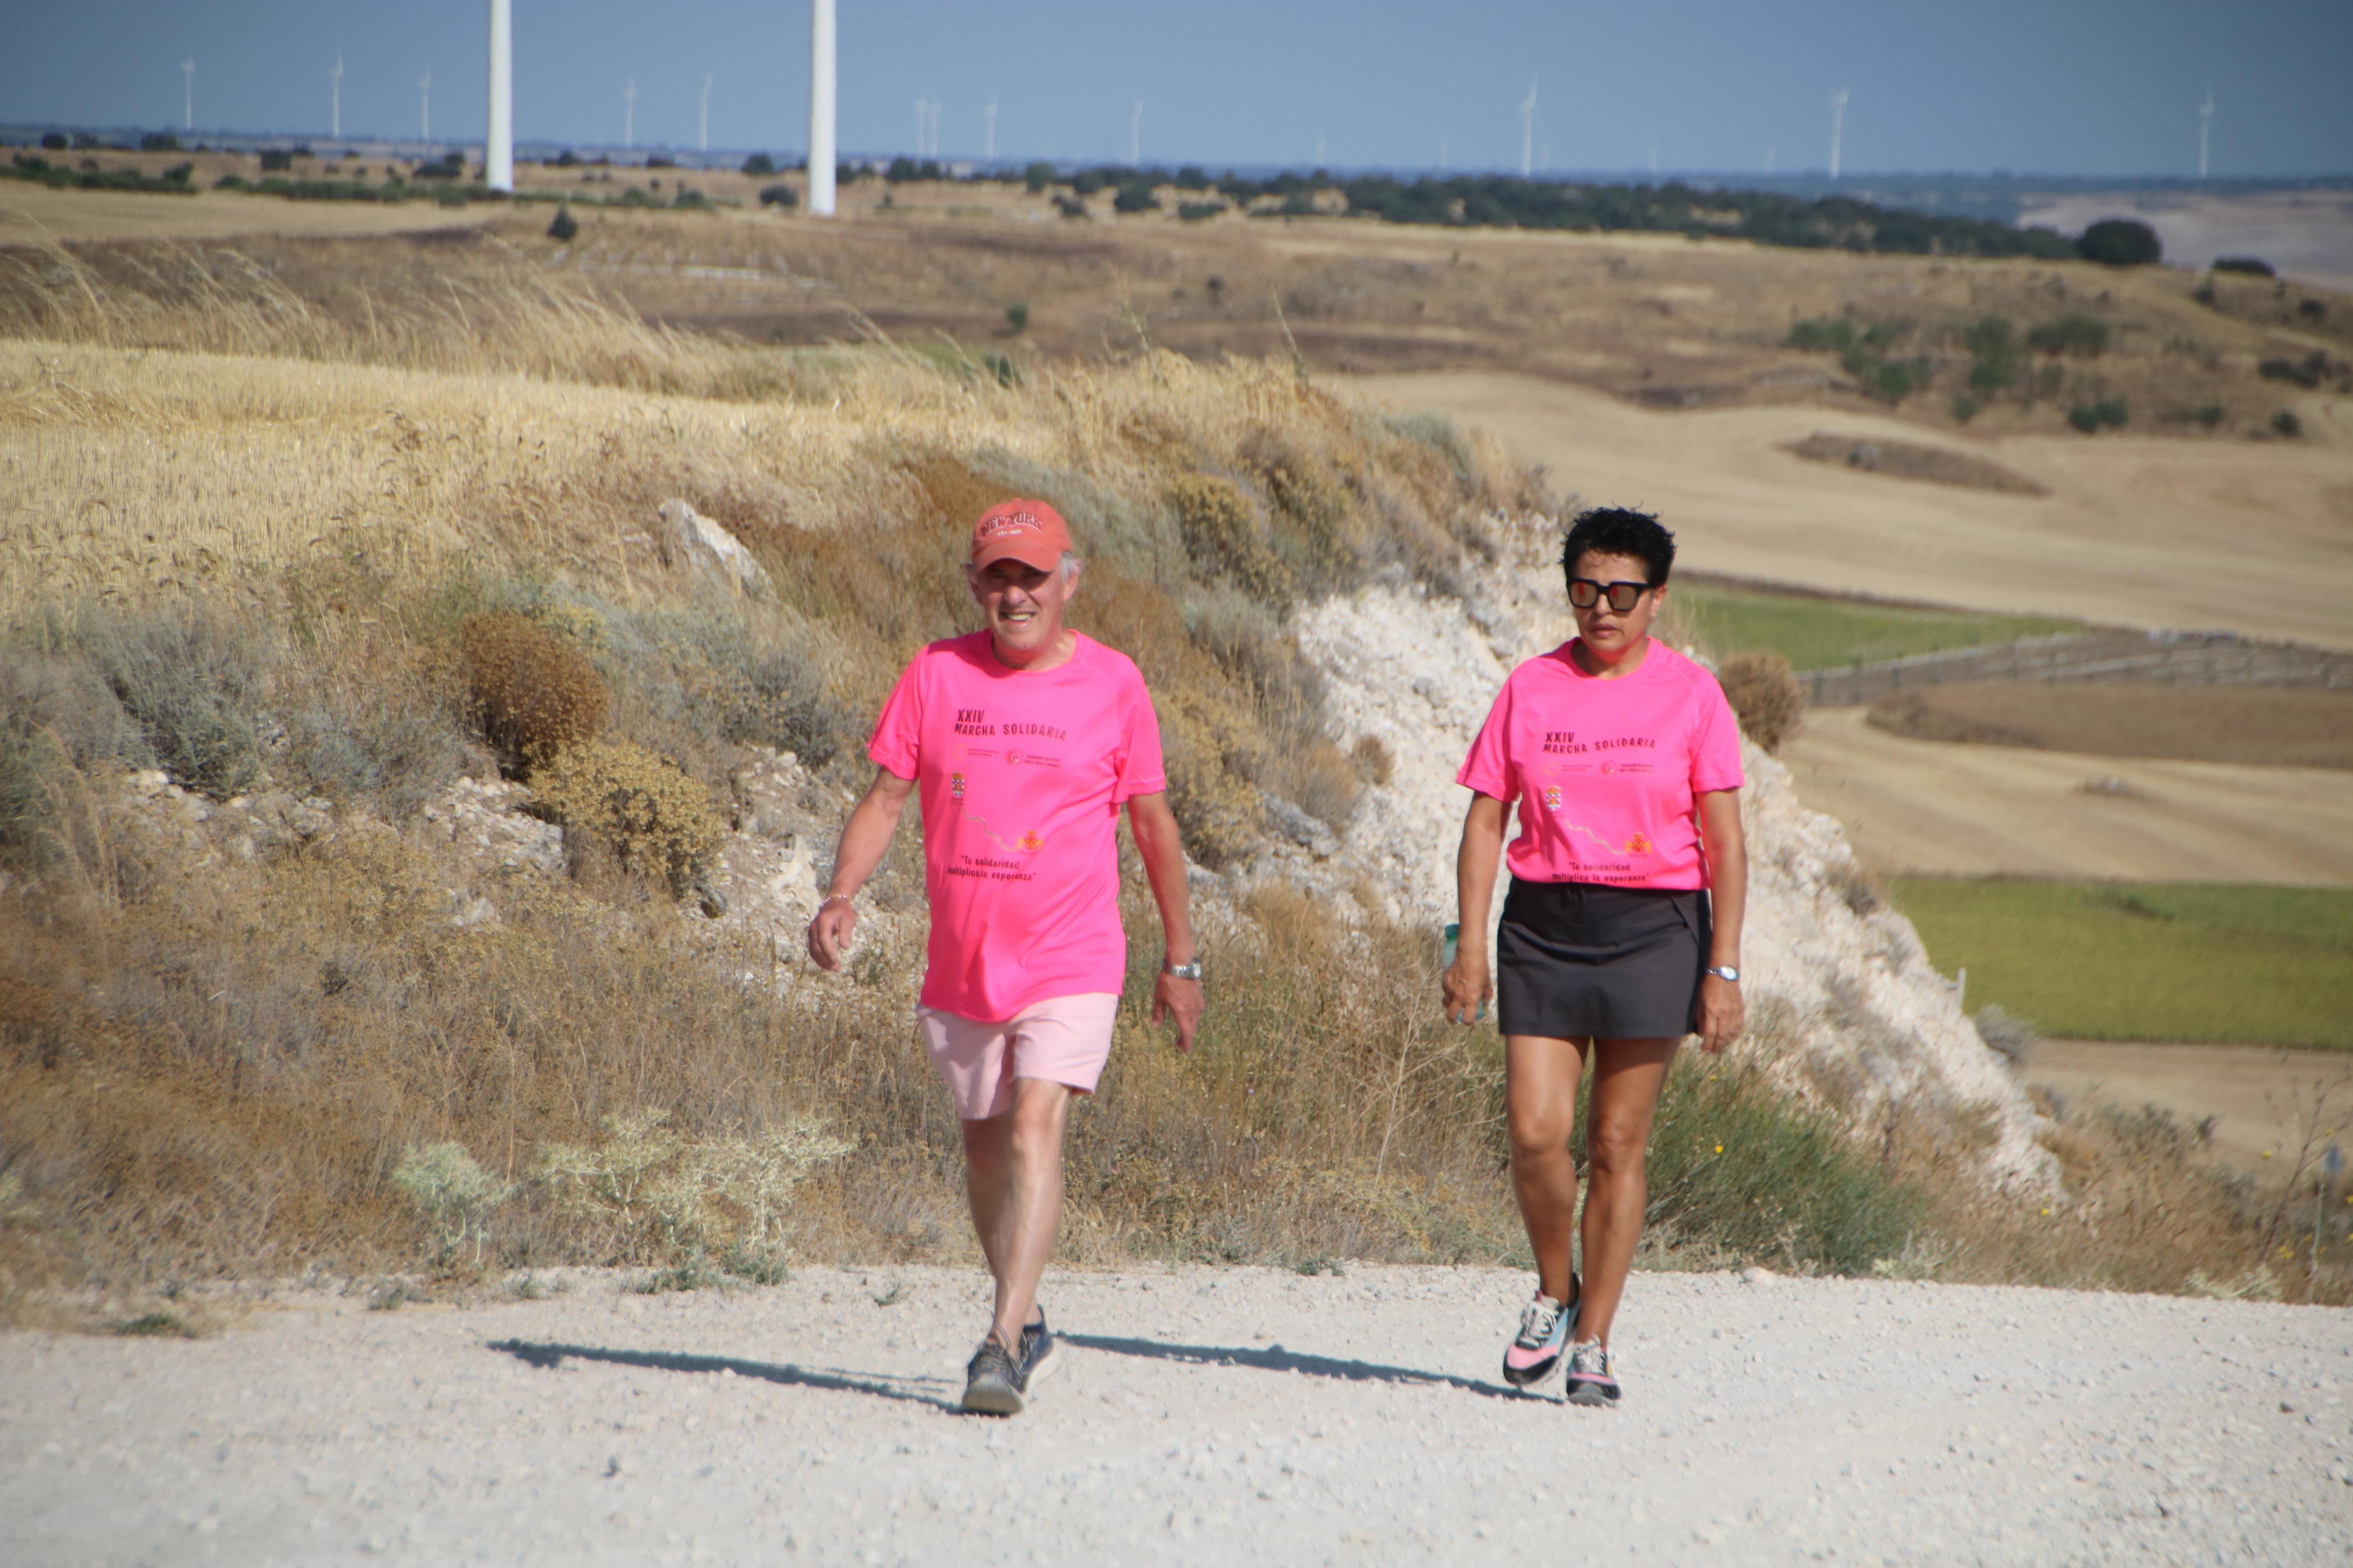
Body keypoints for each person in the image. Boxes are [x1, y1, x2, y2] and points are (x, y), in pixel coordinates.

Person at [808, 498, 1205, 1417]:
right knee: (985, 1147)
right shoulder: (936, 673)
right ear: (975, 584)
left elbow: (1152, 825)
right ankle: (1029, 1322)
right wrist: (841, 894)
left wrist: (1179, 962)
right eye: (999, 575)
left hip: (1073, 953)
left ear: (1069, 579)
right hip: (963, 962)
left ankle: (999, 1344)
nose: (1016, 593)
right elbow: (884, 797)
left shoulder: (1114, 684)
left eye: (1033, 574)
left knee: (1033, 1128)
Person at [1442, 506, 1748, 1408]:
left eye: (1622, 592)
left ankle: (1597, 1344)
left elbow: (1725, 843)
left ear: (1656, 599)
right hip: (1543, 925)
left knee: (1618, 1143)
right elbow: (1487, 820)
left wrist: (1722, 970)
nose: (1601, 608)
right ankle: (1554, 1291)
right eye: (1585, 589)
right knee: (1536, 1132)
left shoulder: (1694, 695)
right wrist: (1468, 944)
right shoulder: (1530, 688)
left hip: (1656, 930)